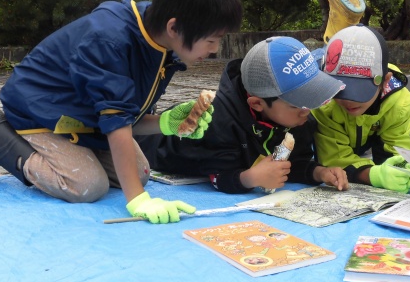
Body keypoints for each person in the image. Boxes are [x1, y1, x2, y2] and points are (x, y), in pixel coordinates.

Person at [0, 0, 243, 224]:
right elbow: (117, 124)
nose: (215, 50)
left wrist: (166, 123)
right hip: (38, 110)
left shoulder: (161, 44)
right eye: (211, 40)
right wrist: (137, 199)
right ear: (174, 27)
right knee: (86, 185)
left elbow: (125, 117)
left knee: (140, 174)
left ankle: (77, 154)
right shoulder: (111, 41)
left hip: (83, 119)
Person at [138, 36, 349, 194]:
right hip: (152, 144)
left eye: (311, 99)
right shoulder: (219, 124)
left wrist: (319, 173)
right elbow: (215, 176)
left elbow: (293, 164)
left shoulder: (298, 117)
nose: (308, 110)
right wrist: (251, 178)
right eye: (298, 104)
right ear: (257, 103)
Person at [312, 25, 410, 193]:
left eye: (359, 91)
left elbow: (396, 150)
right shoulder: (323, 102)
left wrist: (402, 168)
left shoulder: (397, 101)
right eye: (339, 90)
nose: (348, 100)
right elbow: (335, 159)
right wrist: (374, 176)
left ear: (385, 81)